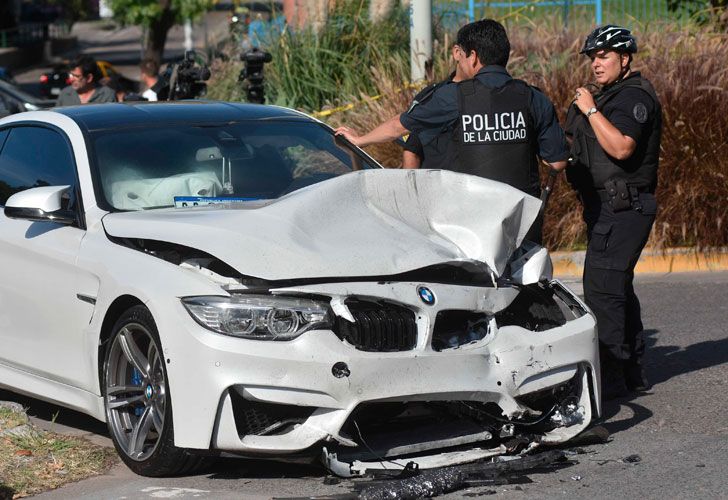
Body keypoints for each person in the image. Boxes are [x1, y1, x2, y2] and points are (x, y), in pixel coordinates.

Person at [335, 19, 568, 242]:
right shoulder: (533, 97)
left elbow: (399, 126)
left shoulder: (453, 96)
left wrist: (360, 140)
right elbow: (557, 163)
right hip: (521, 224)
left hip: (470, 226)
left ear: (473, 57)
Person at [564, 25, 662, 399]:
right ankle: (633, 370)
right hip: (608, 207)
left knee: (602, 289)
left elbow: (621, 148)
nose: (596, 63)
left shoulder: (631, 98)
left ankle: (612, 377)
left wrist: (589, 109)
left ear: (625, 59)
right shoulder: (609, 96)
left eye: (603, 56)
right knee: (616, 286)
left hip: (626, 206)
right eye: (592, 56)